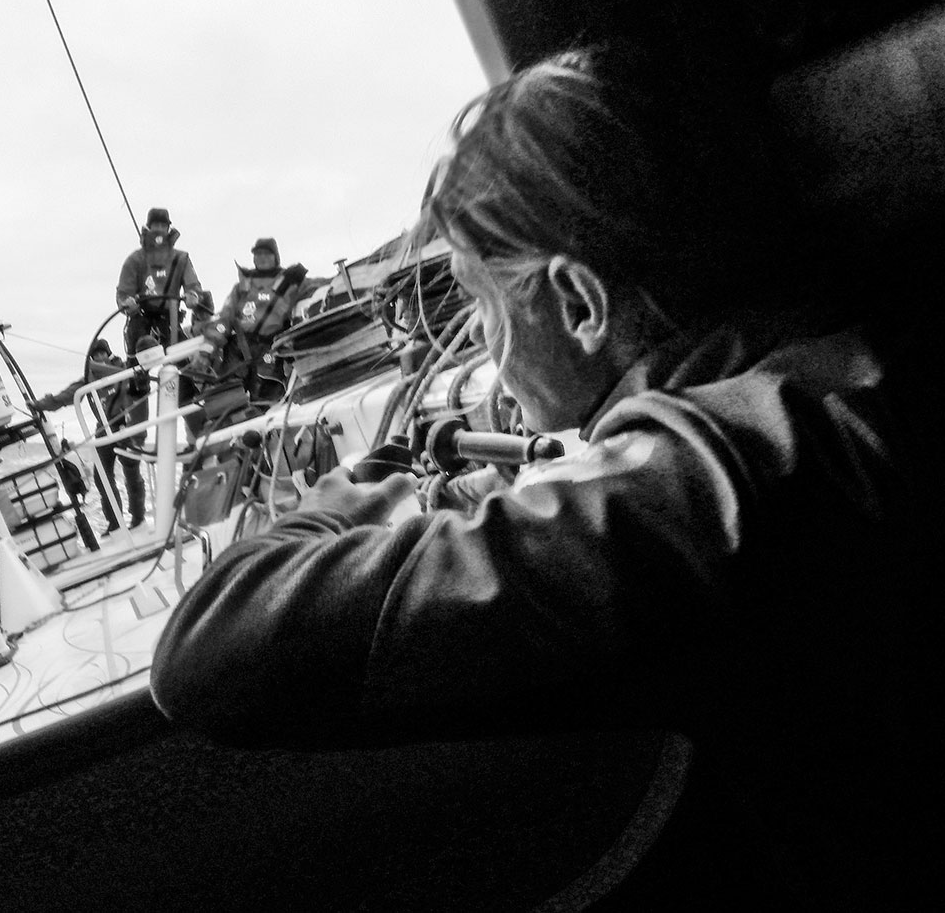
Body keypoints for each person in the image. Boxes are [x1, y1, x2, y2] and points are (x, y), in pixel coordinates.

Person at [149, 48, 937, 907]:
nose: (482, 343)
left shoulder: (707, 481)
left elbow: (211, 648)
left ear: (580, 304)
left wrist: (375, 480)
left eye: (479, 301)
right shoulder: (825, 376)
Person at [31, 338, 149, 536]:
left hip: (126, 426)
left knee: (131, 472)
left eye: (103, 353)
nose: (100, 358)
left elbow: (140, 383)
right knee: (101, 477)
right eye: (96, 355)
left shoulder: (123, 369)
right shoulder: (89, 377)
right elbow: (66, 396)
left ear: (109, 354)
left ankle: (138, 518)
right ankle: (115, 523)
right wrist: (40, 405)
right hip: (104, 428)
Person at [202, 237, 309, 404]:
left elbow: (315, 292)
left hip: (270, 351)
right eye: (258, 254)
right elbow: (224, 319)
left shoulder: (291, 282)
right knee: (227, 402)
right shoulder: (242, 287)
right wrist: (207, 349)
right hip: (238, 350)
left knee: (267, 404)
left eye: (267, 254)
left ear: (275, 257)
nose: (262, 257)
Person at [116, 207, 203, 355]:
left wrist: (193, 295)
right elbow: (123, 293)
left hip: (170, 321)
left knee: (187, 360)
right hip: (141, 322)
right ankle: (136, 367)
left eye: (163, 226)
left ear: (168, 229)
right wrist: (127, 303)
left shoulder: (181, 259)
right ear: (149, 228)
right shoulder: (135, 260)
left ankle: (183, 369)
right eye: (156, 225)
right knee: (139, 357)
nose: (159, 230)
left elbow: (193, 285)